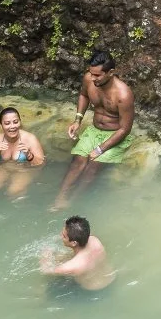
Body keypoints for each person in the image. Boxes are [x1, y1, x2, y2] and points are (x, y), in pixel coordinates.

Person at [52, 50, 134, 210]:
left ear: (110, 72)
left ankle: (73, 201)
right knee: (78, 161)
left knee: (93, 165)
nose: (93, 78)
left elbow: (125, 129)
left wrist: (100, 149)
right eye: (91, 73)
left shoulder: (123, 94)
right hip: (94, 130)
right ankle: (60, 197)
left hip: (115, 135)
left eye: (97, 75)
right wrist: (77, 120)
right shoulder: (89, 79)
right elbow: (83, 95)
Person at [0, 106, 46, 198]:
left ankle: (20, 191)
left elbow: (40, 163)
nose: (12, 126)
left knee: (13, 192)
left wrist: (28, 155)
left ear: (20, 122)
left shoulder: (30, 139)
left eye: (15, 122)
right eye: (7, 123)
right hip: (2, 168)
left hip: (23, 170)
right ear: (1, 125)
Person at [40, 215, 115, 291]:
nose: (60, 236)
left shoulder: (72, 266)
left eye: (64, 236)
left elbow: (46, 271)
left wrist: (45, 254)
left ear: (74, 243)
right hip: (111, 280)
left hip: (94, 290)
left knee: (48, 287)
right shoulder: (94, 240)